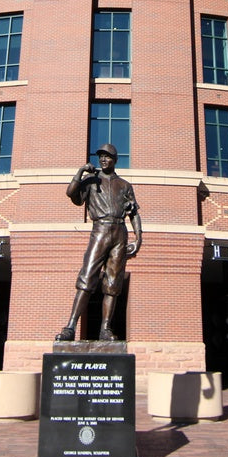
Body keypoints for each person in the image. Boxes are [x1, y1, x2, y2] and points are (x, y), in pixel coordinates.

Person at [55, 144, 142, 342]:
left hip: (120, 232)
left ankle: (105, 329)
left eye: (108, 157)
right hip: (100, 230)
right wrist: (80, 172)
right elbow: (71, 193)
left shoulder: (124, 185)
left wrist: (139, 237)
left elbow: (134, 213)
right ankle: (70, 327)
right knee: (86, 278)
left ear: (115, 160)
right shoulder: (91, 180)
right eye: (101, 156)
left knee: (112, 284)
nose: (103, 160)